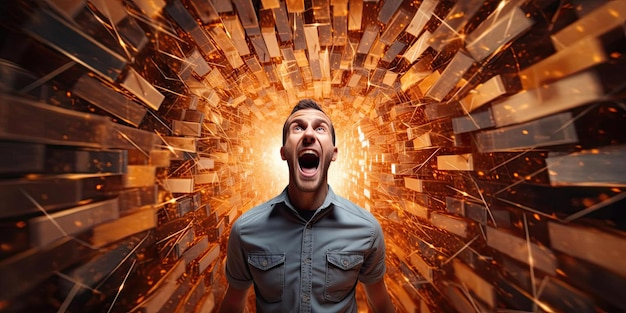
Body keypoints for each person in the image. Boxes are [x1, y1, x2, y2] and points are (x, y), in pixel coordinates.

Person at [217, 99, 395, 313]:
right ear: (284, 152)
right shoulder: (245, 230)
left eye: (320, 128)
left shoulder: (367, 229)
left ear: (334, 153)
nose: (309, 135)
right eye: (298, 127)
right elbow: (234, 303)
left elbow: (380, 303)